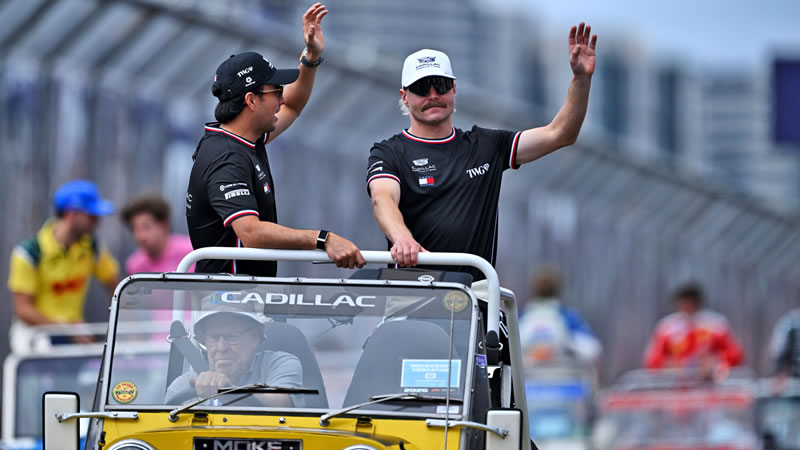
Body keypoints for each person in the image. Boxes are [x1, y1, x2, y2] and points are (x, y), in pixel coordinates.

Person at [366, 23, 597, 279]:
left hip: (474, 296)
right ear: (404, 96)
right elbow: (382, 198)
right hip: (410, 293)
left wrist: (581, 79)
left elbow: (560, 134)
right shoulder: (388, 152)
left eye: (440, 85)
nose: (432, 95)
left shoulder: (487, 145)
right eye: (421, 88)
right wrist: (401, 238)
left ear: (453, 89)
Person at [186, 3, 364, 277]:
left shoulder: (245, 139)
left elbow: (293, 104)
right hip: (226, 299)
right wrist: (323, 239)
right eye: (276, 92)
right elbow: (251, 233)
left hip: (243, 296)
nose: (282, 99)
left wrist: (311, 57)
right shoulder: (227, 157)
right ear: (251, 101)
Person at [7, 180, 120, 348]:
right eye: (91, 216)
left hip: (74, 330)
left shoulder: (92, 247)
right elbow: (23, 309)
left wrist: (125, 323)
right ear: (71, 214)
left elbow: (116, 287)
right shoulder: (29, 253)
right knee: (42, 349)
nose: (97, 222)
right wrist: (64, 330)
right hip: (35, 332)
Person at [165, 299, 303, 407]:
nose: (221, 347)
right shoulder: (182, 386)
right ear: (204, 341)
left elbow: (282, 403)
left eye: (232, 337)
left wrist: (230, 391)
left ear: (255, 338)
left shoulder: (278, 364)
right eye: (214, 337)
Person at [644, 282, 744, 374]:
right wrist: (666, 364)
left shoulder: (716, 325)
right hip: (675, 384)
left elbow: (735, 354)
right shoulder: (667, 327)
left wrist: (716, 361)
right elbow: (652, 359)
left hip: (710, 383)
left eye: (690, 302)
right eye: (684, 303)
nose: (687, 306)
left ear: (698, 303)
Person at [519, 265, 601, 365]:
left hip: (526, 374)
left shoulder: (520, 320)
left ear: (533, 290)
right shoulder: (569, 319)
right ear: (558, 290)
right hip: (565, 373)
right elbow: (592, 349)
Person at [121, 193, 194, 274]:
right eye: (135, 229)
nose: (140, 236)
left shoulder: (192, 253)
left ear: (163, 225)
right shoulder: (134, 265)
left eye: (146, 227)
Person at [768, 307, 800, 378]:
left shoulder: (792, 321)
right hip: (795, 375)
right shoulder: (792, 322)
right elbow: (780, 349)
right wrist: (780, 370)